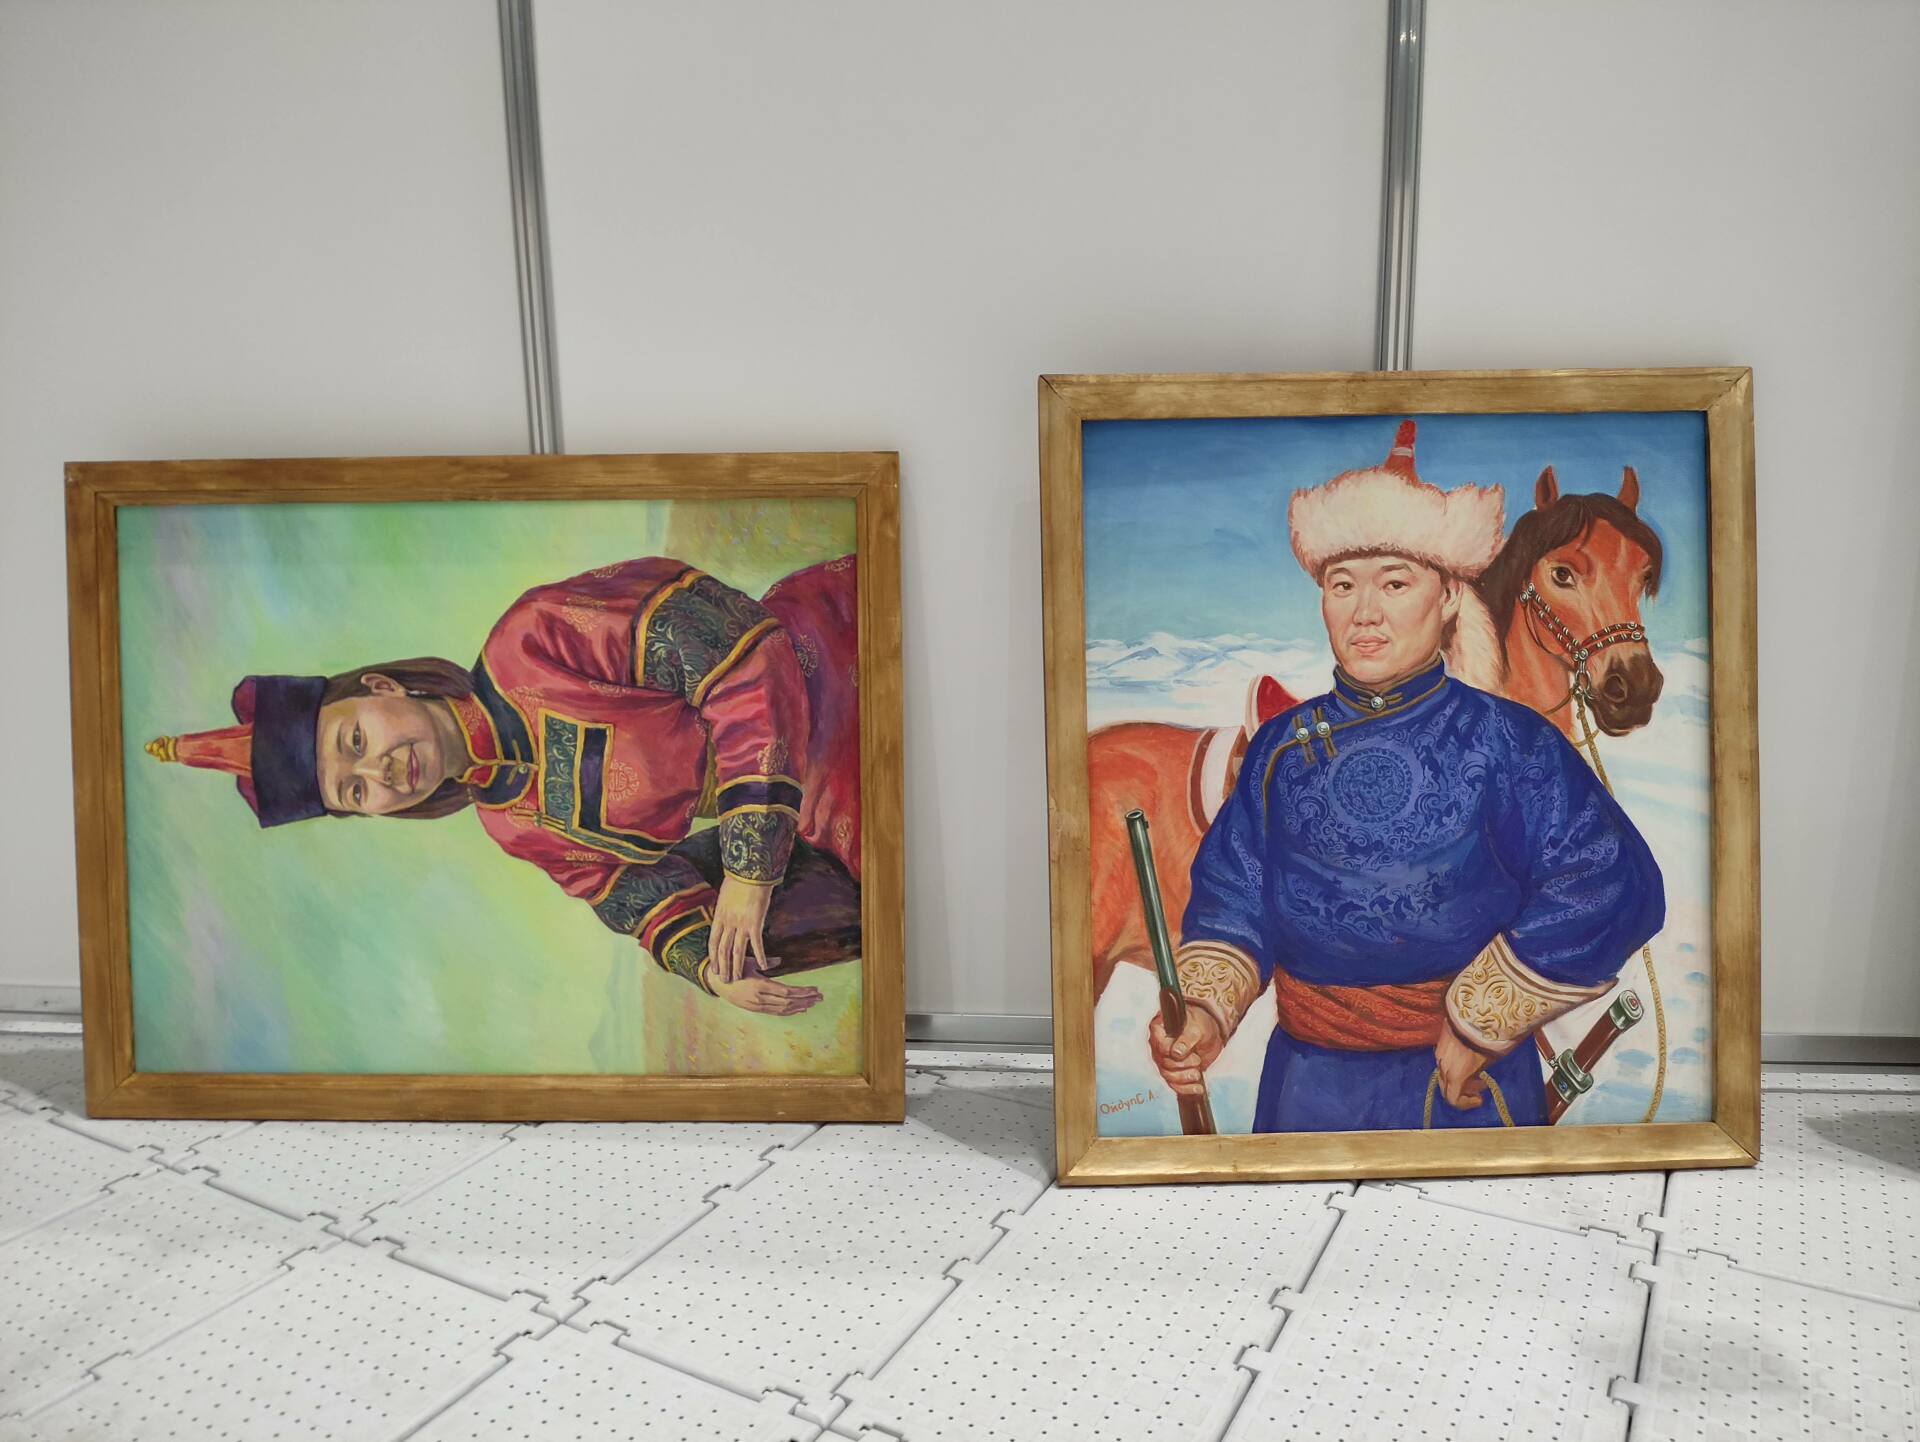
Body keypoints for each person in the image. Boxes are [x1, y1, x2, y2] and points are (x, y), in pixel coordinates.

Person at [1148, 423, 1665, 1129]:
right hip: (1307, 1088)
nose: (1365, 612)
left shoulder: (1513, 742)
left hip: (1468, 1087)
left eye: (1395, 583)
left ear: (1450, 595)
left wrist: (1482, 1019)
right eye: (1342, 585)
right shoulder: (1279, 748)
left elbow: (1611, 882)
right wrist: (1205, 1015)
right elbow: (1233, 898)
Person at [146, 555, 862, 1017]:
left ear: (382, 686)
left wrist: (749, 874)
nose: (379, 772)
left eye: (355, 742)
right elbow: (624, 892)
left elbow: (734, 651)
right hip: (810, 815)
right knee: (747, 943)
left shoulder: (531, 639)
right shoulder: (510, 823)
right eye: (355, 792)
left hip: (826, 678)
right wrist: (710, 968)